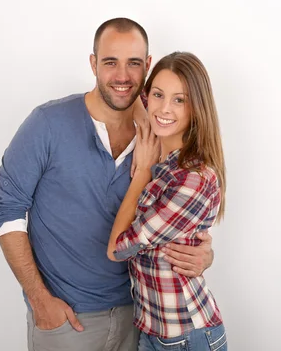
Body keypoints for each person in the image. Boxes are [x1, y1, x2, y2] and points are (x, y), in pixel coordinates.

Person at [0, 18, 215, 351]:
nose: (122, 76)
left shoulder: (158, 133)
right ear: (93, 64)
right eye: (110, 62)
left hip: (140, 320)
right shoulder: (48, 124)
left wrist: (204, 253)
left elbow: (181, 213)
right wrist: (39, 300)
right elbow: (6, 209)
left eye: (134, 63)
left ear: (147, 66)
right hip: (66, 320)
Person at [107, 52, 228, 350]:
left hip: (186, 336)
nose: (164, 108)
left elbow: (118, 249)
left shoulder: (192, 178)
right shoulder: (166, 161)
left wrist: (142, 174)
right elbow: (132, 100)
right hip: (152, 331)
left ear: (196, 108)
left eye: (179, 100)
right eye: (158, 95)